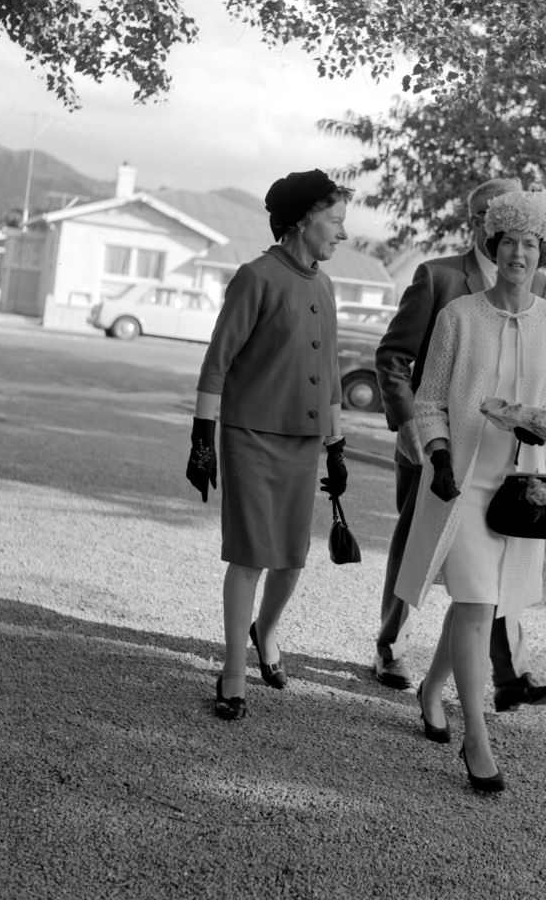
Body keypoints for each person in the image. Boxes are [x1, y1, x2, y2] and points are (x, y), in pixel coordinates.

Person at [394, 189, 546, 792]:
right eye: (510, 242)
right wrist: (437, 454)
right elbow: (428, 400)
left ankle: (432, 687)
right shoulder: (459, 316)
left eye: (532, 244)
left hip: (523, 489)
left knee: (485, 602)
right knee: (474, 603)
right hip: (463, 483)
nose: (520, 254)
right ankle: (477, 737)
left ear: (543, 251)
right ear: (492, 244)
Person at [185, 169, 351, 720]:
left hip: (304, 442)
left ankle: (266, 632)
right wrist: (201, 438)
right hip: (250, 437)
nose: (341, 235)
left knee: (292, 559)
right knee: (251, 555)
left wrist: (337, 447)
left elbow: (329, 372)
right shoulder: (254, 277)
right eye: (334, 222)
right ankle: (234, 669)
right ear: (303, 220)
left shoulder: (324, 286)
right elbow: (218, 362)